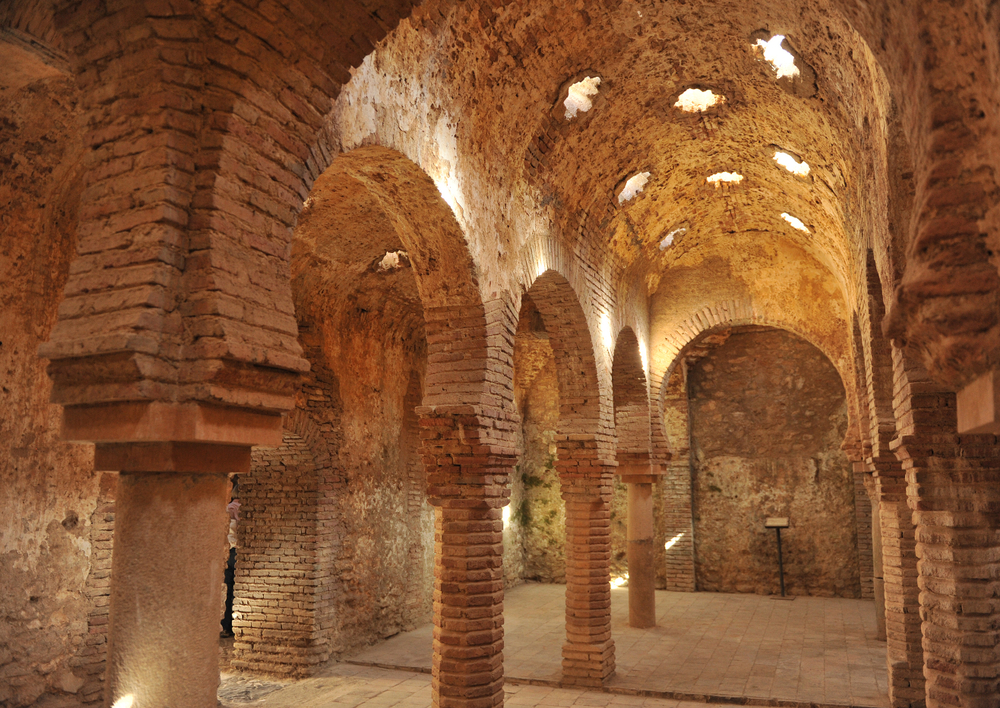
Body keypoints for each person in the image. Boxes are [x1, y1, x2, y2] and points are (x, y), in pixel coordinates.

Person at [221, 477, 240, 638]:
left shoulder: (228, 508)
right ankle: (236, 625)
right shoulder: (242, 509)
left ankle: (226, 626)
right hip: (239, 553)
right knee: (237, 591)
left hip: (229, 552)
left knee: (229, 590)